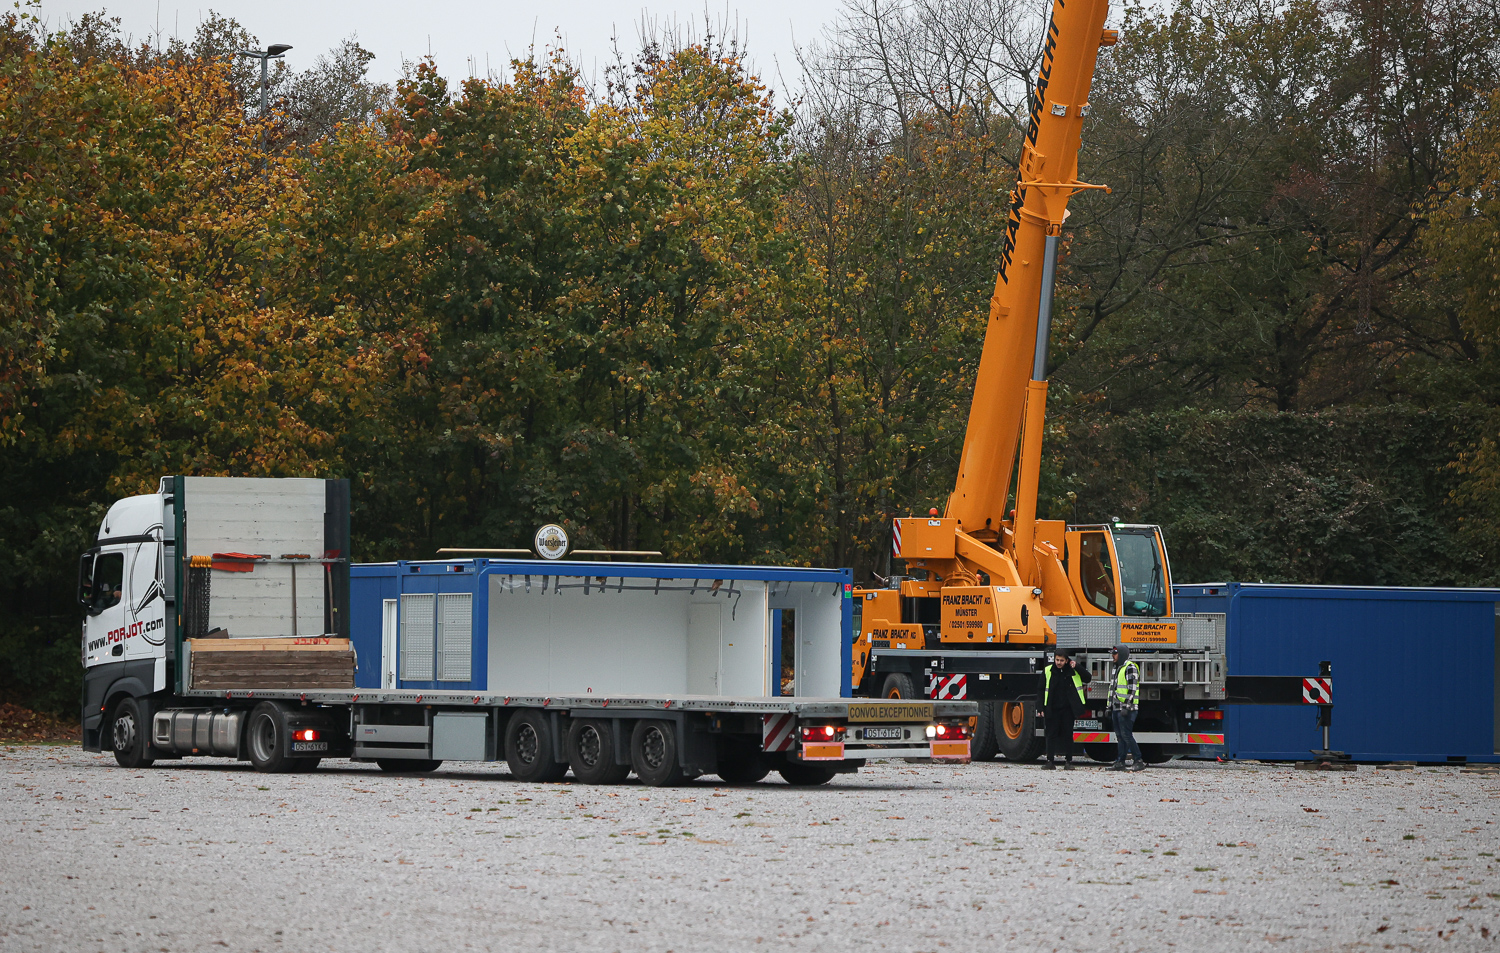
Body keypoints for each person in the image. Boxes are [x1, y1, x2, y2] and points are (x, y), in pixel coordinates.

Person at [1040, 648, 1091, 770]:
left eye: (1061, 660)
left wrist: (1077, 666)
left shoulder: (1072, 670)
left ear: (1066, 660)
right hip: (1052, 708)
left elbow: (1088, 678)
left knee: (1068, 735)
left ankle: (1068, 761)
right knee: (1050, 734)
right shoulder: (1048, 671)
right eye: (1057, 660)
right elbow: (1041, 690)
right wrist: (1040, 707)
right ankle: (1050, 761)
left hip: (1068, 709)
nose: (1058, 662)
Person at [1109, 644, 1144, 771]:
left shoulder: (1130, 667)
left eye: (1115, 653)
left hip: (1127, 709)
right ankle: (1120, 761)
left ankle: (1138, 760)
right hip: (1117, 707)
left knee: (1126, 735)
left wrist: (1127, 706)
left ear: (1122, 654)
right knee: (1119, 735)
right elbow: (1112, 688)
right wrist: (1109, 706)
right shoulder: (1116, 668)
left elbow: (1132, 688)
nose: (1113, 656)